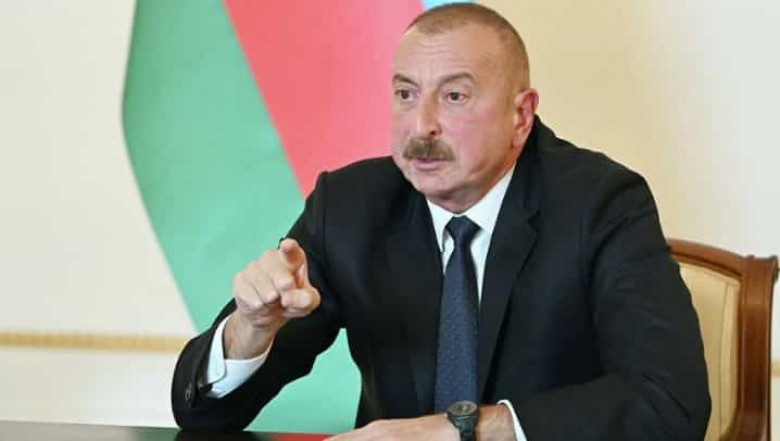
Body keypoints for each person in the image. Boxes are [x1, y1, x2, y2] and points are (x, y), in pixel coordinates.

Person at [171, 4, 710, 440]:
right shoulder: (351, 206)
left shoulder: (600, 203)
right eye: (406, 94)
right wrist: (251, 329)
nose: (421, 125)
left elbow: (669, 403)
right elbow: (201, 416)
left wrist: (464, 431)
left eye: (454, 96)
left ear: (520, 116)